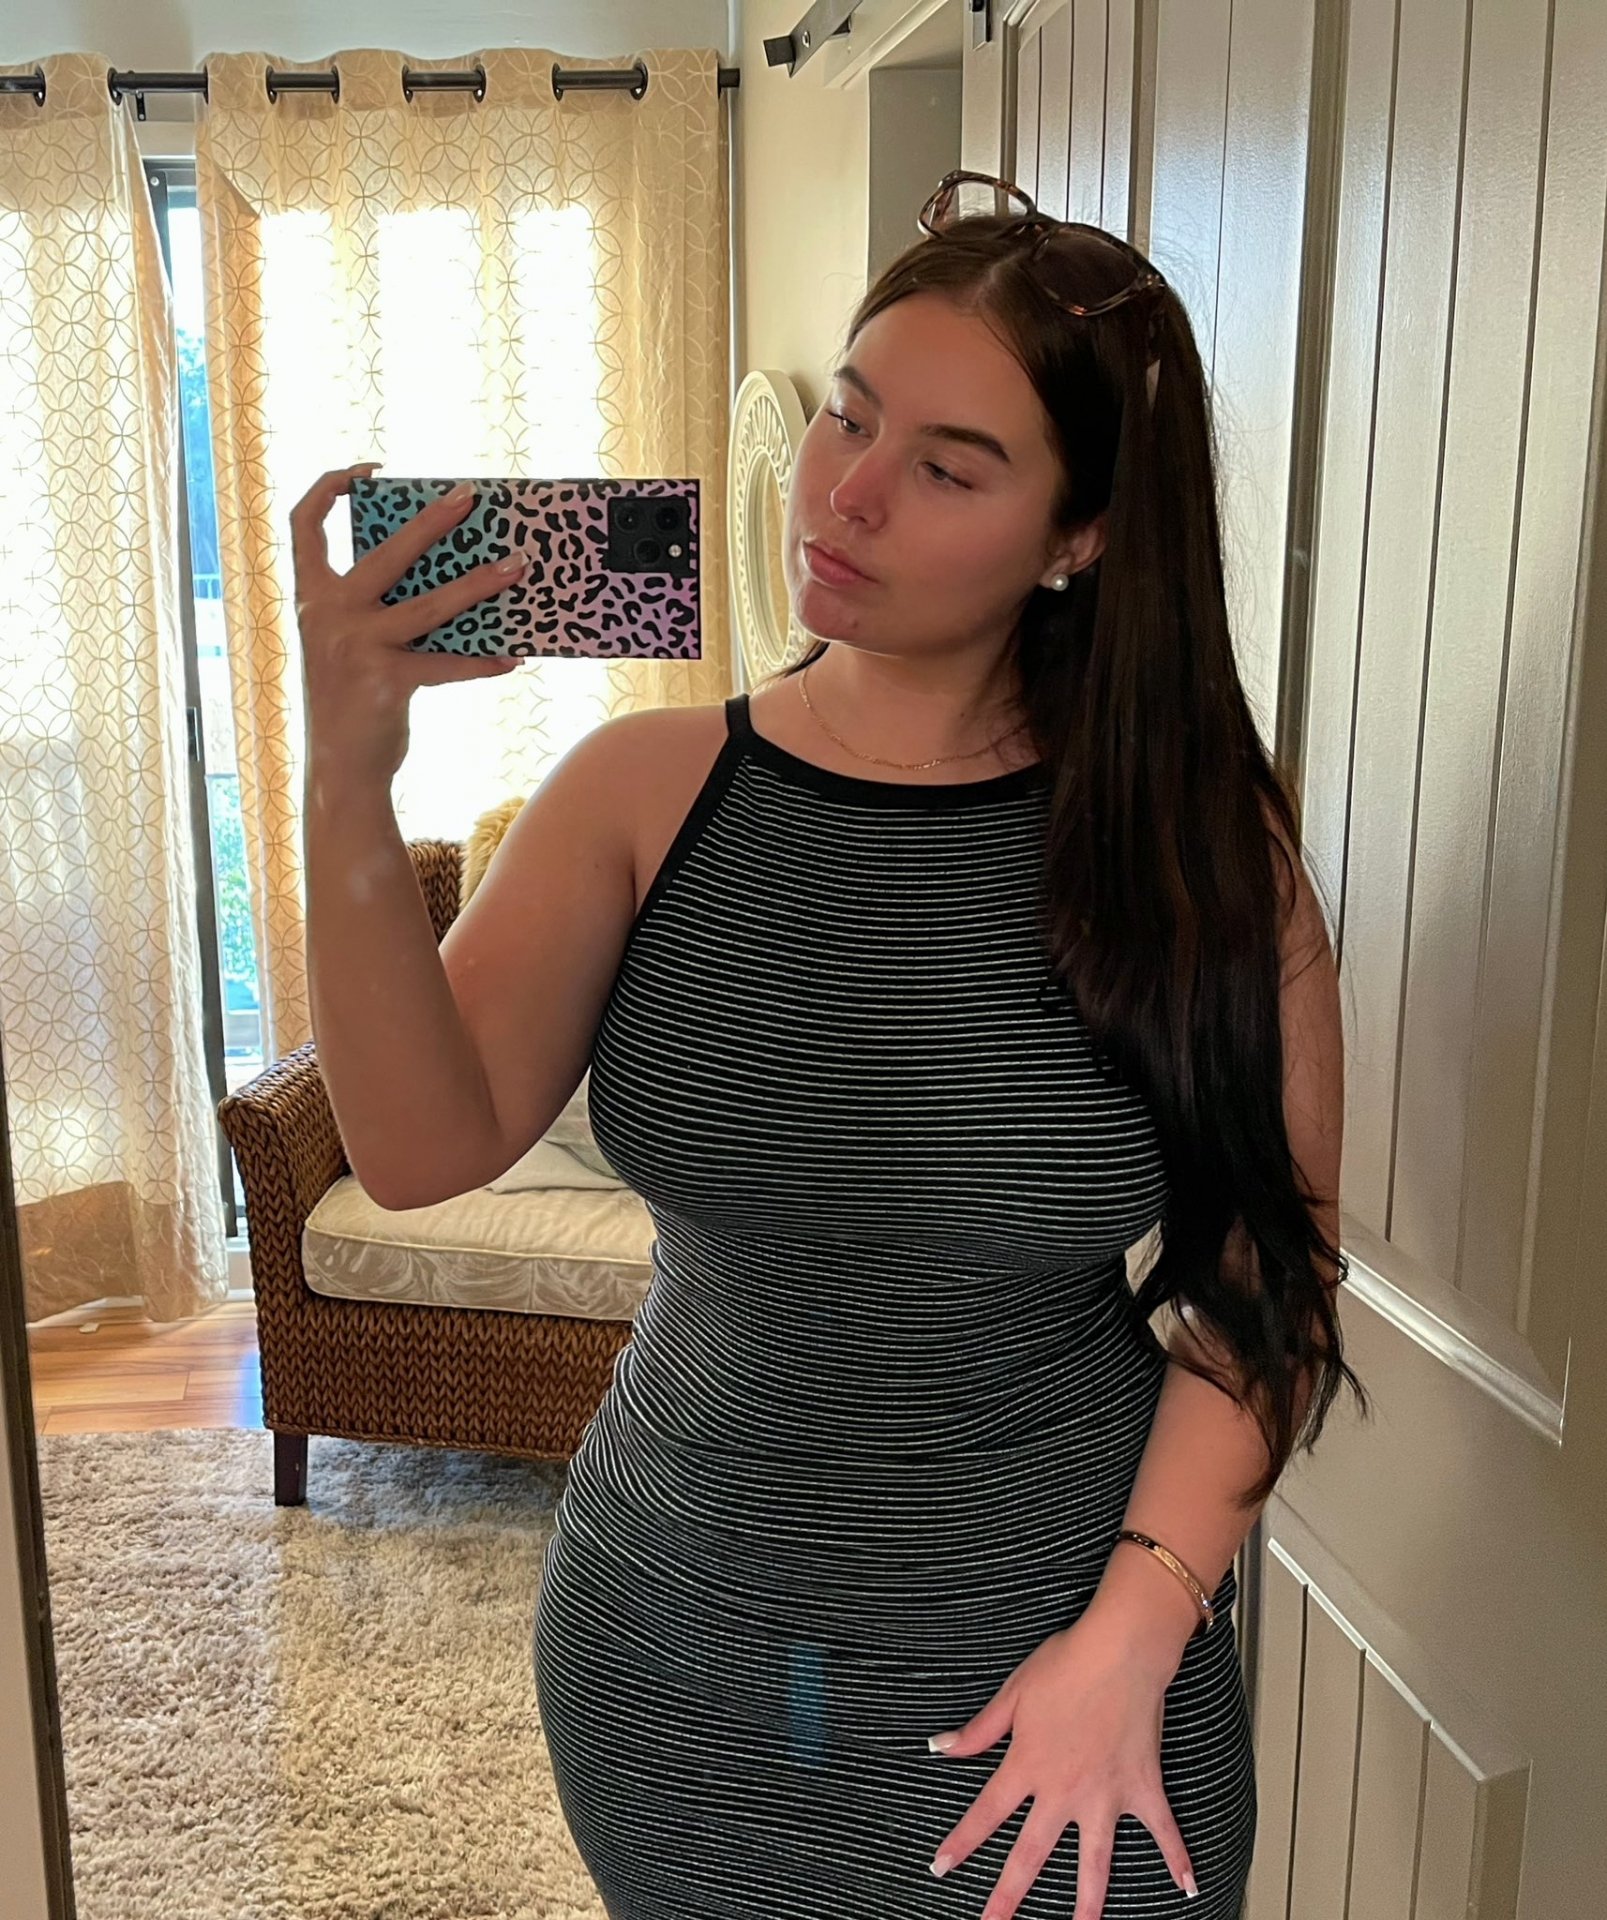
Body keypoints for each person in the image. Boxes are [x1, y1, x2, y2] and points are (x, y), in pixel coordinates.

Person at [291, 170, 1366, 1919]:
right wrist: (347, 772)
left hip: (1072, 1673)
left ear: (1081, 536)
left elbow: (1267, 1276)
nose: (846, 493)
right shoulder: (642, 793)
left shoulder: (1195, 852)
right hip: (674, 1657)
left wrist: (1134, 1639)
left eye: (949, 467)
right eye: (850, 417)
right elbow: (417, 1150)